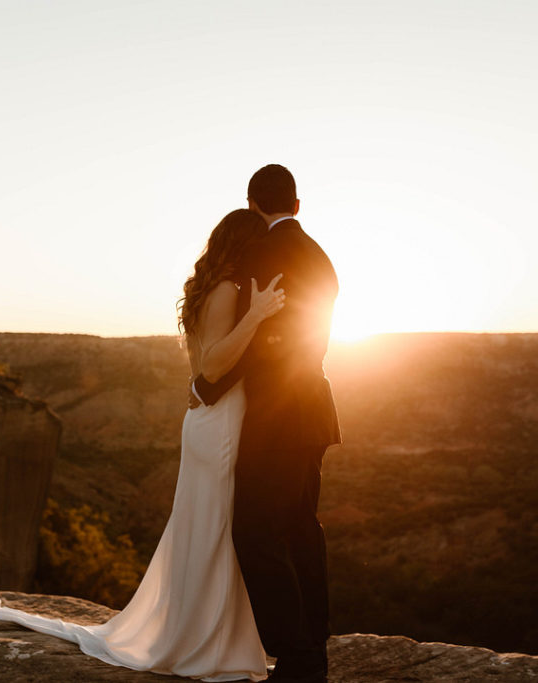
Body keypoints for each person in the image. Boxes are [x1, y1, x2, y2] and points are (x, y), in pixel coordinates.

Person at [0, 208, 286, 682]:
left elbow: (200, 371)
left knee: (207, 531)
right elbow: (213, 366)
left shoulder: (212, 288)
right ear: (244, 245)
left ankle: (212, 638)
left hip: (208, 420)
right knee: (215, 532)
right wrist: (256, 316)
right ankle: (205, 645)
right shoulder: (227, 291)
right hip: (218, 425)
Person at [192, 165, 341, 683]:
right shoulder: (321, 257)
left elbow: (249, 346)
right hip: (316, 409)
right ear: (296, 206)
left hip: (276, 416)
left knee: (256, 533)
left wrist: (204, 390)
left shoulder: (255, 258)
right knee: (302, 528)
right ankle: (314, 648)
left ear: (253, 204)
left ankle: (295, 656)